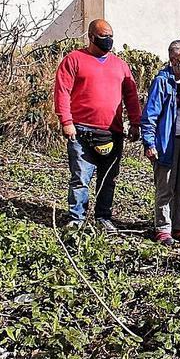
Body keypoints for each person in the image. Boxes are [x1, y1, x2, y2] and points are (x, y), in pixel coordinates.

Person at [53, 19, 141, 232]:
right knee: (81, 177)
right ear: (91, 37)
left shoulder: (120, 65)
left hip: (113, 132)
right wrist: (66, 121)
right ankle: (76, 218)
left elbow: (131, 95)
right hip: (81, 131)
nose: (108, 41)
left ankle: (102, 217)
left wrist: (136, 123)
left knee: (108, 178)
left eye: (110, 36)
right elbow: (62, 91)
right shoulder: (74, 60)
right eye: (103, 37)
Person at [141, 40, 180, 246]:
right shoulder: (162, 81)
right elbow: (150, 114)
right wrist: (149, 142)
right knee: (165, 186)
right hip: (167, 142)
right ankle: (163, 228)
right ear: (174, 59)